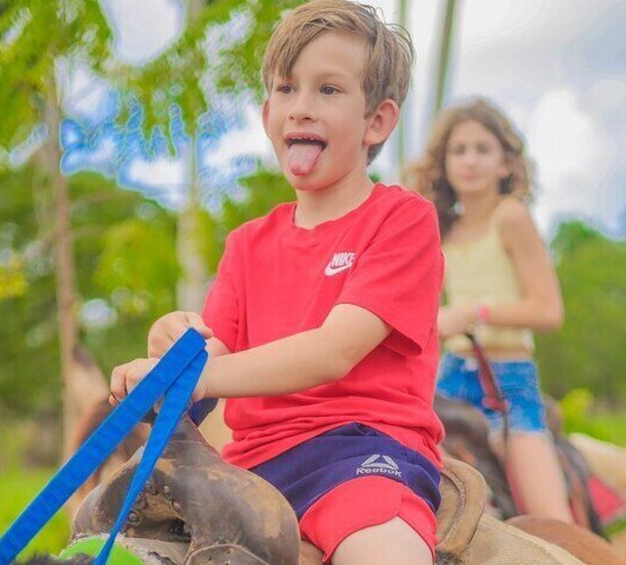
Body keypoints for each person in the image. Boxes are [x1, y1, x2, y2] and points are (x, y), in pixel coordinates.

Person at [109, 2, 446, 563]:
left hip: (359, 455)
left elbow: (335, 351)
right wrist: (175, 353)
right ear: (267, 113)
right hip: (251, 465)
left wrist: (203, 375)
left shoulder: (402, 219)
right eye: (286, 89)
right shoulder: (247, 243)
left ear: (377, 122)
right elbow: (215, 352)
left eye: (329, 91)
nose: (301, 109)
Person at [408, 98, 573, 523]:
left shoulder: (511, 217)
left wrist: (472, 313)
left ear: (506, 163)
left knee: (550, 520)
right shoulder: (442, 228)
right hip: (448, 379)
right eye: (458, 150)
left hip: (508, 383)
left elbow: (548, 310)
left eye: (482, 149)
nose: (470, 160)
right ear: (442, 164)